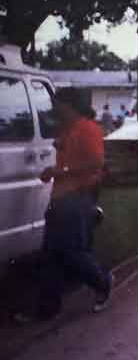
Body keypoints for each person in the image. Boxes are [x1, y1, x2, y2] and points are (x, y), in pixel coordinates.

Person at [24, 88, 113, 321]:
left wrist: (59, 172)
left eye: (57, 104)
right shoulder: (68, 129)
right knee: (50, 255)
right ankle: (47, 310)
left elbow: (97, 164)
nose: (54, 108)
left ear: (69, 105)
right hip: (60, 197)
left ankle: (103, 282)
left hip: (78, 197)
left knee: (72, 252)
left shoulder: (88, 129)